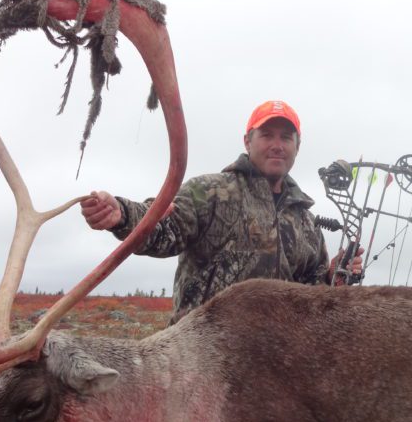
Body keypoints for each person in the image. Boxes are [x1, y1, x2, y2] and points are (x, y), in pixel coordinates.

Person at [81, 100, 363, 322]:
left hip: (276, 367)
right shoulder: (210, 192)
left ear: (297, 147)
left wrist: (332, 275)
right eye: (267, 135)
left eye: (286, 138)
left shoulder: (306, 221)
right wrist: (124, 215)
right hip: (202, 359)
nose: (277, 146)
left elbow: (311, 293)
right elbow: (164, 228)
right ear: (247, 141)